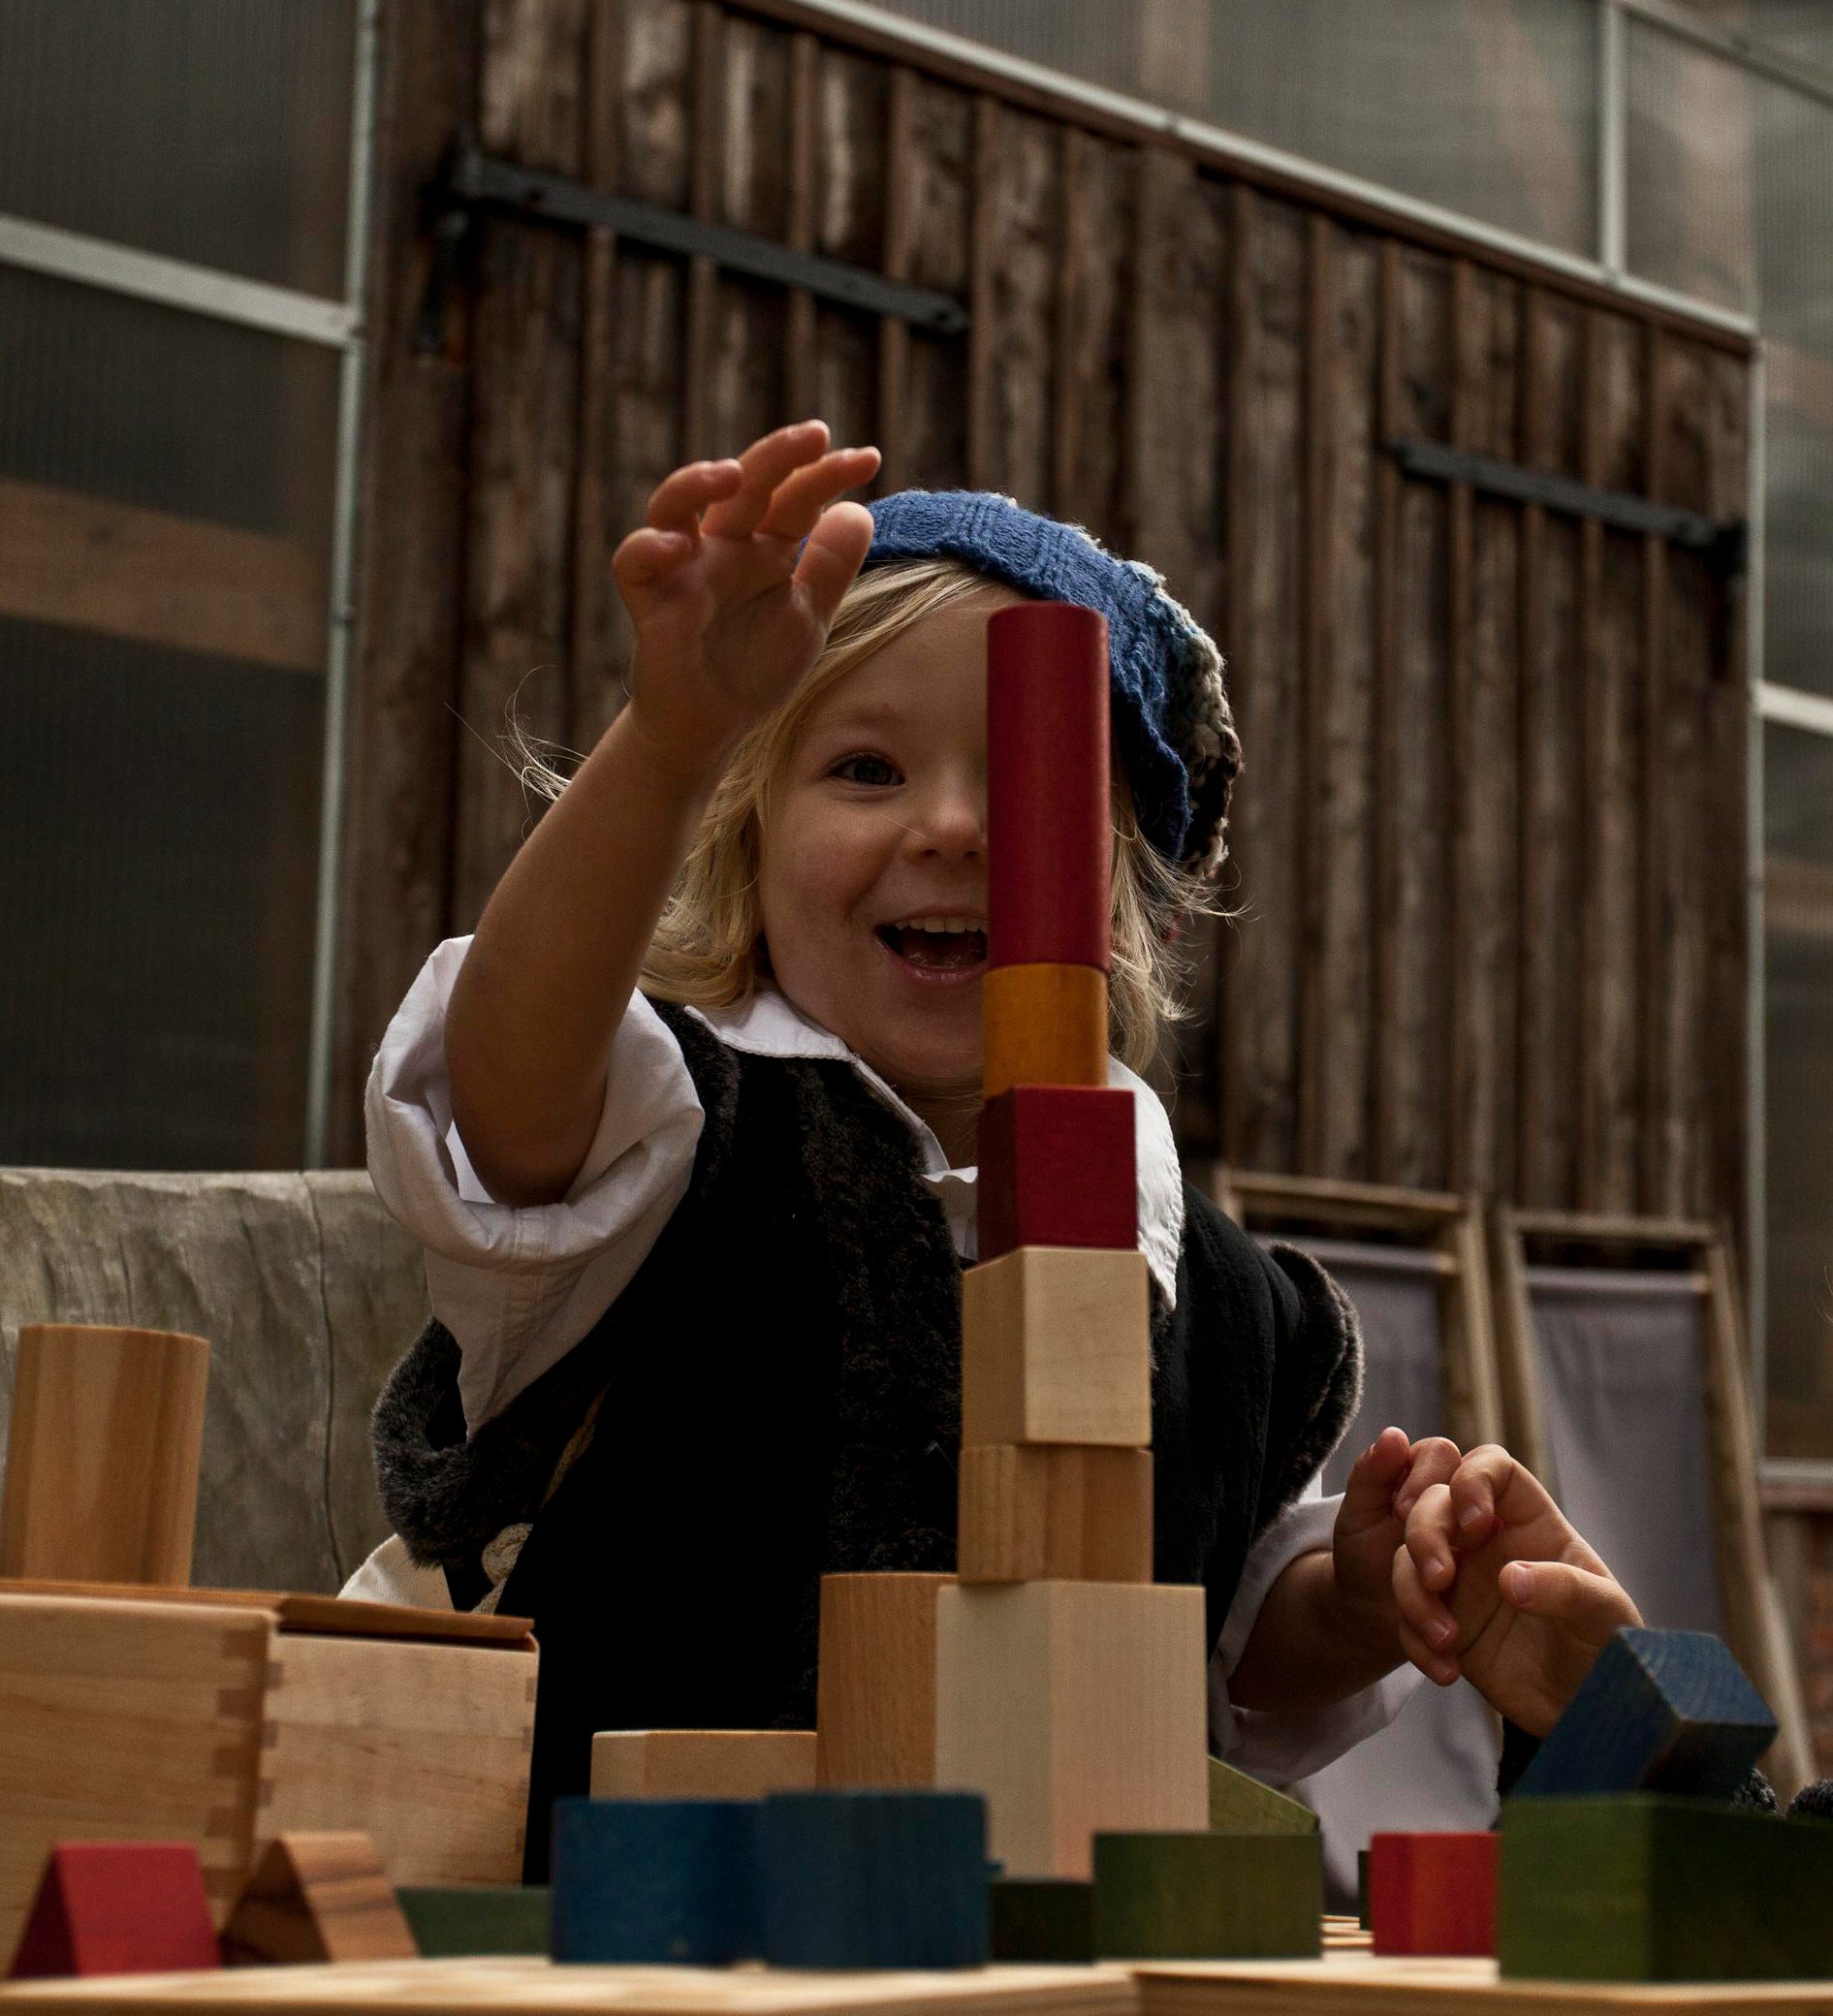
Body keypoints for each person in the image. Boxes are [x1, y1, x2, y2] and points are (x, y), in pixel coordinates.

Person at [350, 420, 1641, 1865]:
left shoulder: (1210, 1286)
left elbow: (1194, 1627)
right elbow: (509, 1087)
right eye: (864, 770)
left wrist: (1347, 1604)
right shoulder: (665, 1125)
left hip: (1026, 1945)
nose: (954, 827)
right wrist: (668, 741)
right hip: (615, 1936)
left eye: (1030, 784)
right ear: (743, 842)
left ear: (1129, 900)